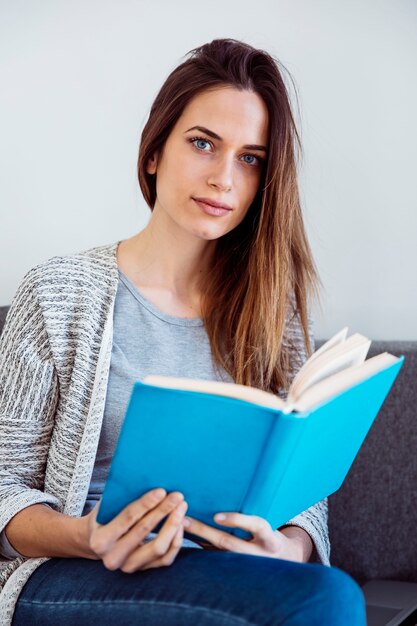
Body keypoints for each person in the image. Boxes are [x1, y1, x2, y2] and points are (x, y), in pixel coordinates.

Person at [0, 38, 366, 625]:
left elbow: (305, 496)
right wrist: (88, 535)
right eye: (202, 144)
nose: (224, 178)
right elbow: (3, 483)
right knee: (329, 600)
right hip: (76, 573)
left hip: (224, 572)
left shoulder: (275, 311)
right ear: (154, 152)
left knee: (321, 588)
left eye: (250, 158)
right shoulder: (56, 292)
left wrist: (290, 547)